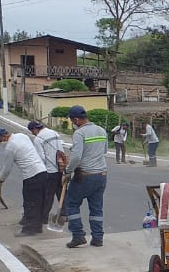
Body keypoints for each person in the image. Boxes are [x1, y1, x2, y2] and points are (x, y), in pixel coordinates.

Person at [62, 105, 108, 248]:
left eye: (72, 121)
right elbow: (105, 150)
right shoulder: (101, 130)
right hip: (101, 175)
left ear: (76, 120)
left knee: (71, 204)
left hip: (85, 176)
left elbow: (76, 157)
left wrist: (68, 171)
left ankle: (78, 236)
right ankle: (98, 238)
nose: (73, 124)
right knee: (96, 208)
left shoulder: (80, 133)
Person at [0, 128, 47, 237]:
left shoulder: (10, 147)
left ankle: (29, 229)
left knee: (30, 203)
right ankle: (37, 227)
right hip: (43, 172)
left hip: (31, 176)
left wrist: (0, 179)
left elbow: (7, 168)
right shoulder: (22, 136)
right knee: (39, 202)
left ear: (4, 137)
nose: (0, 143)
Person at [27, 120, 66, 230]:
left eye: (32, 131)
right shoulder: (54, 133)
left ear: (34, 129)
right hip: (60, 168)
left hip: (49, 171)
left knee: (47, 195)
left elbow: (41, 157)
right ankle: (65, 213)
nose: (33, 134)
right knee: (61, 192)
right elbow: (61, 151)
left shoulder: (38, 139)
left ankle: (43, 217)